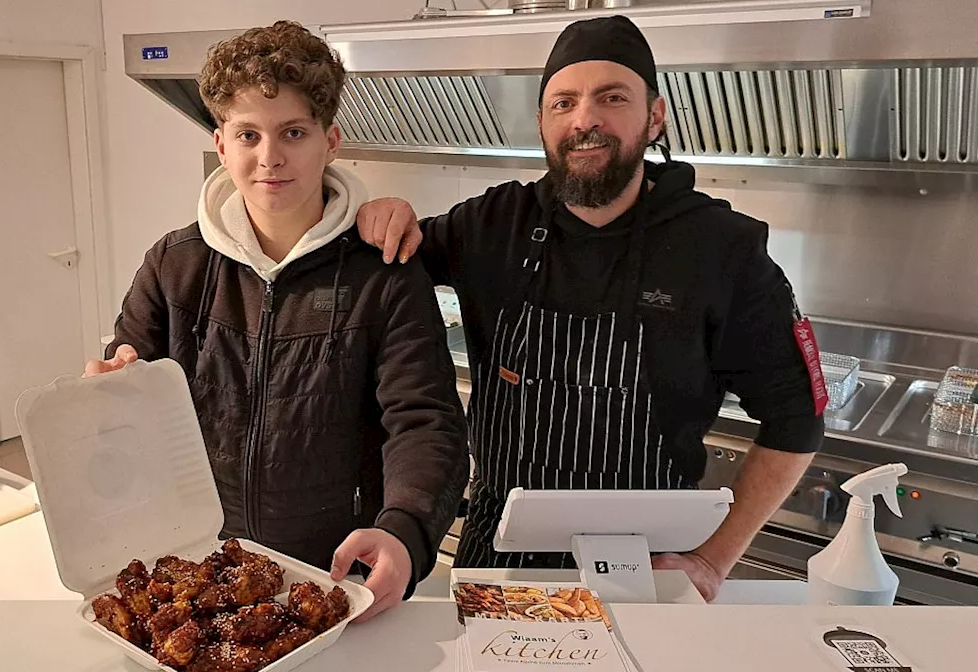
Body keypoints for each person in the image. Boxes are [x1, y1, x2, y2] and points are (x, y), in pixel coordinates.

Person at [356, 15, 825, 601]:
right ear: (543, 122)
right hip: (499, 552)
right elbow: (380, 264)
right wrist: (376, 212)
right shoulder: (490, 225)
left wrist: (710, 560)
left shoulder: (722, 250)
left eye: (612, 97)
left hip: (650, 563)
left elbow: (798, 418)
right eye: (564, 102)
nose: (585, 120)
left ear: (654, 116)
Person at [87, 21, 469, 622]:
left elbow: (425, 423)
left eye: (293, 132)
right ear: (221, 145)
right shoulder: (174, 264)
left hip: (340, 576)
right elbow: (127, 387)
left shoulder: (385, 274)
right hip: (202, 572)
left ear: (330, 141)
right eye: (248, 134)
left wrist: (406, 531)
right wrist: (111, 388)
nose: (270, 158)